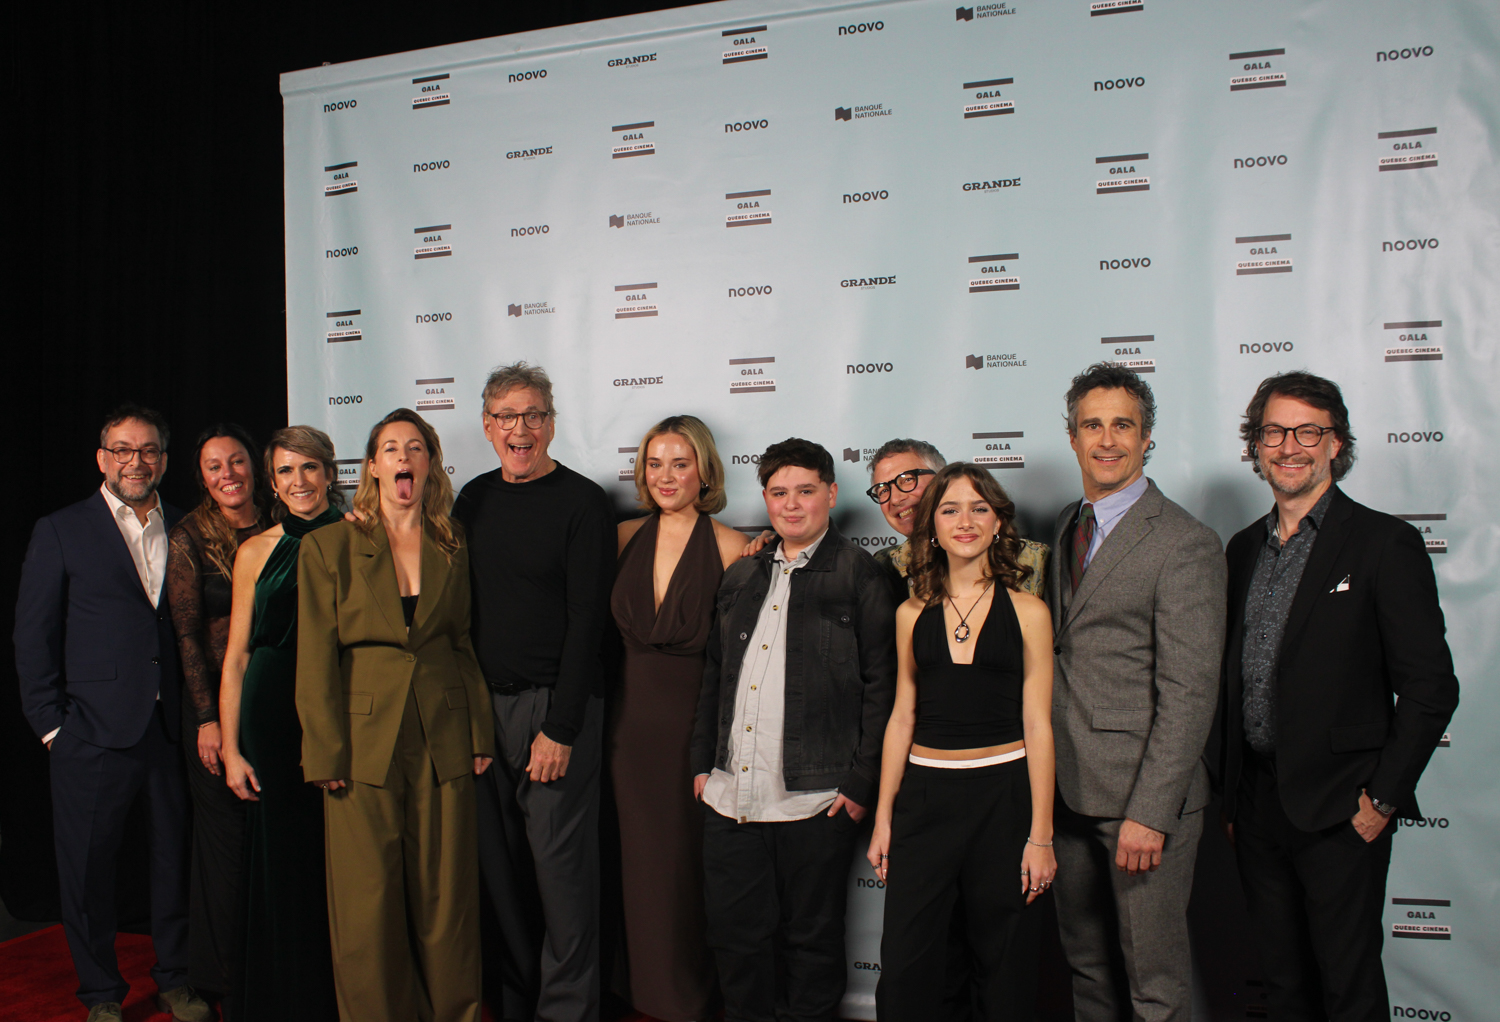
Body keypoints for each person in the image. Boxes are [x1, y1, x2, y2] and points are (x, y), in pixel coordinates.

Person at [1213, 372, 1459, 1022]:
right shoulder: (1241, 551)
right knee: (1281, 986)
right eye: (1273, 431)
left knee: (1347, 987)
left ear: (1334, 444)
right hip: (1258, 808)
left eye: (1307, 432)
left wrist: (1380, 800)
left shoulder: (1384, 543)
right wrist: (1233, 797)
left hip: (1340, 810)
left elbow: (1432, 687)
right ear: (1256, 444)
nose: (1288, 446)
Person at [297, 408, 496, 1022]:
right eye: (390, 447)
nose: (403, 457)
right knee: (367, 898)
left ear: (429, 463)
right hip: (361, 741)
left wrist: (478, 731)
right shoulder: (329, 544)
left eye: (415, 447)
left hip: (444, 731)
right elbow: (314, 657)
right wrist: (324, 752)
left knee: (448, 894)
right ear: (374, 466)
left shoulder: (453, 540)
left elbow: (462, 642)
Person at [691, 437, 897, 1022]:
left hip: (816, 801)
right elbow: (714, 678)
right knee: (736, 943)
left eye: (805, 491)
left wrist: (861, 782)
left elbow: (885, 686)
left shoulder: (861, 575)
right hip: (731, 798)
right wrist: (701, 768)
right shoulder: (742, 576)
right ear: (765, 498)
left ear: (831, 494)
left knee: (812, 945)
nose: (791, 504)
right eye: (778, 493)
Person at [15, 403, 210, 1022]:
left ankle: (176, 977)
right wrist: (52, 727)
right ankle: (100, 993)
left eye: (148, 450)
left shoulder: (188, 527)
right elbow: (32, 636)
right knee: (87, 874)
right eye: (123, 450)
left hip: (171, 731)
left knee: (174, 865)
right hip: (91, 734)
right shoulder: (61, 529)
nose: (136, 461)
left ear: (164, 460)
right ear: (103, 459)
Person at [1045, 364, 1226, 1022]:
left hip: (1140, 805)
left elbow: (1189, 691)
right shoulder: (1068, 522)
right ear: (1072, 438)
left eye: (1123, 424)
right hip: (1066, 792)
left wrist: (1152, 811)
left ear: (1147, 437)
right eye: (1093, 424)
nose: (1108, 439)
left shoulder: (1185, 543)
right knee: (1087, 967)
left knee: (1155, 982)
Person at [453, 363, 615, 1022]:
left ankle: (569, 1011)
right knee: (501, 871)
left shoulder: (582, 503)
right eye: (506, 417)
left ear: (550, 423)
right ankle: (516, 1000)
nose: (520, 429)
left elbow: (589, 622)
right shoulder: (472, 499)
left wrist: (564, 727)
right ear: (488, 427)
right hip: (483, 709)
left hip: (555, 709)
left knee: (562, 877)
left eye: (532, 415)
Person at [868, 463, 1057, 1021]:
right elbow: (901, 717)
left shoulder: (1029, 611)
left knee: (1004, 964)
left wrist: (1040, 835)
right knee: (907, 967)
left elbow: (1039, 723)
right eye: (950, 509)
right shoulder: (909, 613)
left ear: (999, 522)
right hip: (924, 799)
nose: (965, 520)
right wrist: (884, 817)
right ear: (931, 526)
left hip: (1004, 797)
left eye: (980, 508)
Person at [611, 415, 750, 1021]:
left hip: (691, 730)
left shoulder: (730, 545)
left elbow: (745, 657)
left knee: (682, 870)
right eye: (655, 463)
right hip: (621, 728)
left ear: (704, 472)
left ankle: (686, 997)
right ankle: (634, 991)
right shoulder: (619, 537)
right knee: (630, 863)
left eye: (680, 463)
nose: (666, 476)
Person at [218, 426, 342, 1022]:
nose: (300, 482)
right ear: (272, 483)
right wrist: (235, 749)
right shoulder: (255, 550)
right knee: (280, 858)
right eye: (287, 472)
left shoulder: (359, 539)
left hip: (337, 711)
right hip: (270, 715)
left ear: (329, 473)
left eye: (310, 468)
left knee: (337, 857)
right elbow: (237, 653)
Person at [165, 423, 268, 1018]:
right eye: (213, 466)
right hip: (212, 710)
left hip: (275, 704)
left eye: (236, 461)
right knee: (225, 845)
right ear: (201, 476)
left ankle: (275, 968)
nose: (227, 473)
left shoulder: (285, 520)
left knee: (272, 842)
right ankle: (226, 981)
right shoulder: (190, 536)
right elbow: (185, 633)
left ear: (254, 466)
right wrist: (207, 718)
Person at [866, 439, 1049, 600]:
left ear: (942, 478)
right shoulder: (884, 565)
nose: (896, 499)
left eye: (907, 480)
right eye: (882, 490)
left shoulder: (1033, 560)